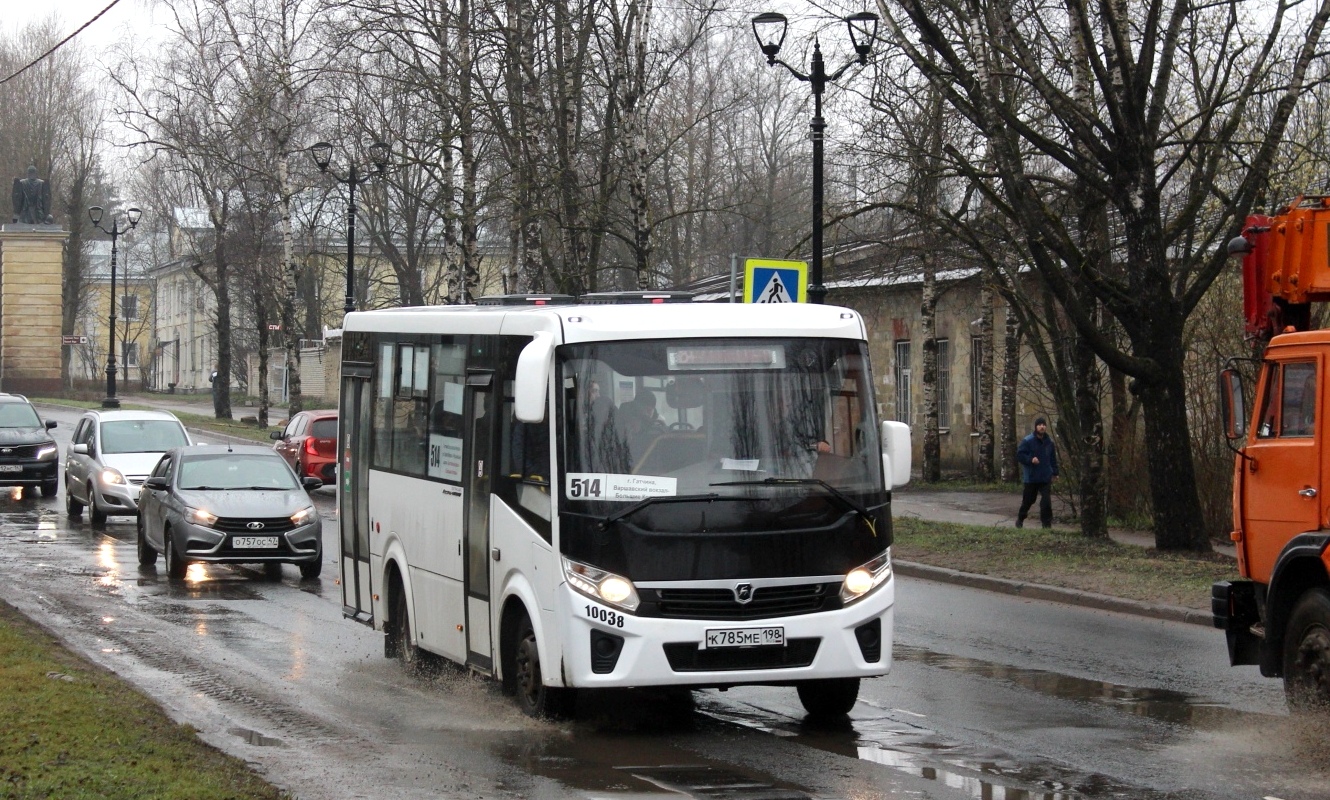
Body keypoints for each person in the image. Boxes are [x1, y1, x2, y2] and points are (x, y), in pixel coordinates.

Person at [1016, 416, 1058, 528]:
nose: (1042, 427)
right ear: (1036, 427)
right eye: (1040, 425)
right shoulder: (1028, 441)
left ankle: (1046, 525)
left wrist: (1055, 472)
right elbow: (1020, 455)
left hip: (1045, 476)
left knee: (1046, 502)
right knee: (1028, 501)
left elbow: (1052, 458)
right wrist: (1030, 459)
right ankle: (1020, 519)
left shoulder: (1049, 442)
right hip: (1031, 477)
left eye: (1044, 425)